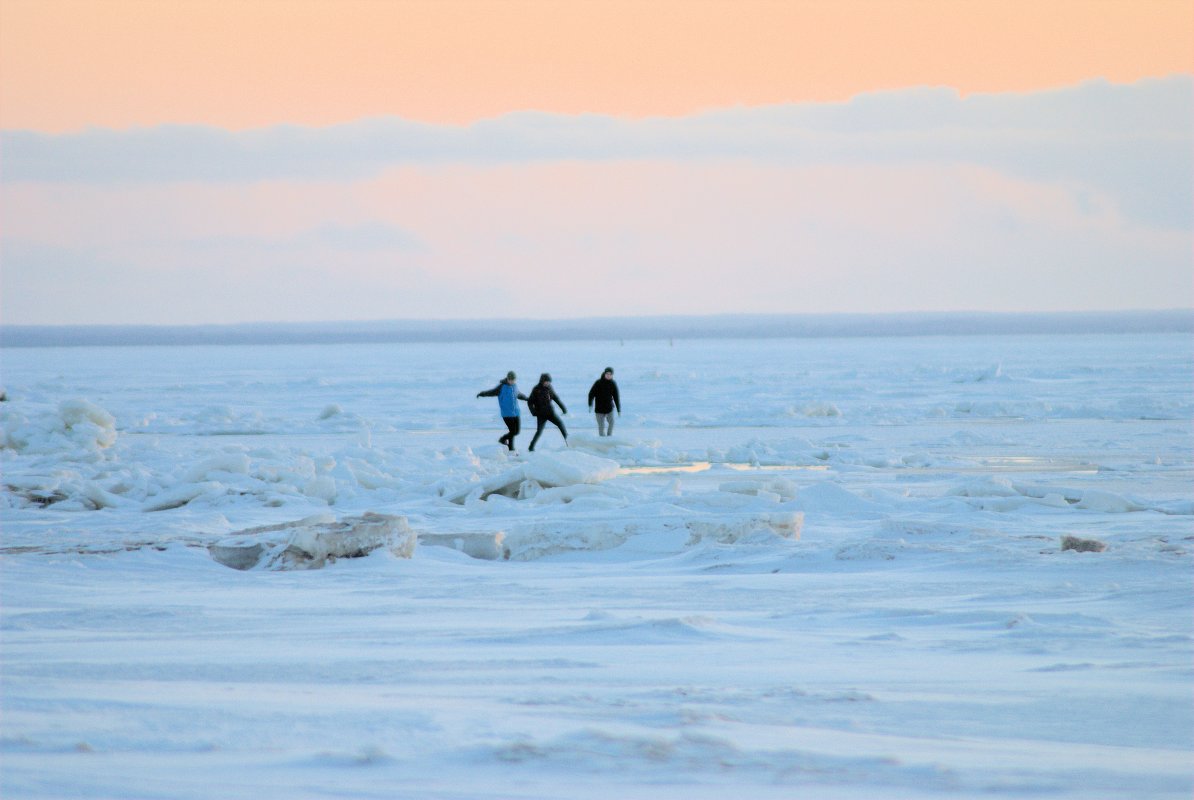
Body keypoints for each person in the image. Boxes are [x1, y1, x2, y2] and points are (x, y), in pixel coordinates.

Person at [476, 371, 529, 451]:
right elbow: (491, 392)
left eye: (513, 380)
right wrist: (482, 393)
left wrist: (527, 399)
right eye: (510, 380)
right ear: (507, 379)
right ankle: (511, 449)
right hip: (507, 414)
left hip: (516, 412)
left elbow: (519, 394)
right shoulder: (501, 387)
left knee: (516, 431)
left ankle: (502, 439)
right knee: (512, 431)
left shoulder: (515, 386)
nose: (512, 381)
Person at [527, 373, 568, 451]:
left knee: (561, 425)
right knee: (539, 431)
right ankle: (531, 447)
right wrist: (533, 412)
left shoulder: (549, 388)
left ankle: (569, 443)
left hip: (550, 413)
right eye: (546, 381)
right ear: (542, 381)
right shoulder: (536, 389)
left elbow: (556, 398)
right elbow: (530, 402)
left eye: (549, 382)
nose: (548, 383)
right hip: (541, 414)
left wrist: (563, 409)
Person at [587, 366, 621, 436]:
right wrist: (590, 404)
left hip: (609, 408)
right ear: (604, 374)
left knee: (611, 423)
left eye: (610, 374)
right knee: (601, 426)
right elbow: (591, 394)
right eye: (607, 374)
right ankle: (602, 440)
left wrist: (618, 409)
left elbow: (616, 397)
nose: (608, 376)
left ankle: (609, 437)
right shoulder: (598, 383)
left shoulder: (613, 384)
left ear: (612, 375)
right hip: (599, 409)